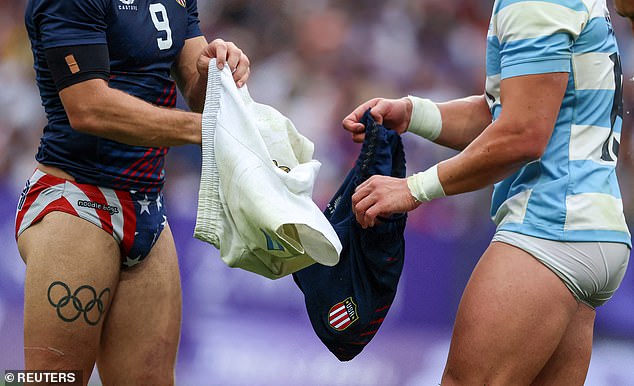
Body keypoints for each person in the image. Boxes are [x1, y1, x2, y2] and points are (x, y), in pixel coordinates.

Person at [343, 0, 631, 384]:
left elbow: (523, 134)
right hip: (589, 230)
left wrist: (414, 188)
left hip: (550, 229)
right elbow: (512, 111)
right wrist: (414, 114)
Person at [16, 0, 249, 384]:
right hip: (78, 201)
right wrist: (207, 130)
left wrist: (214, 70)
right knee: (51, 380)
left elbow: (196, 90)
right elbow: (88, 107)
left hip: (147, 207)